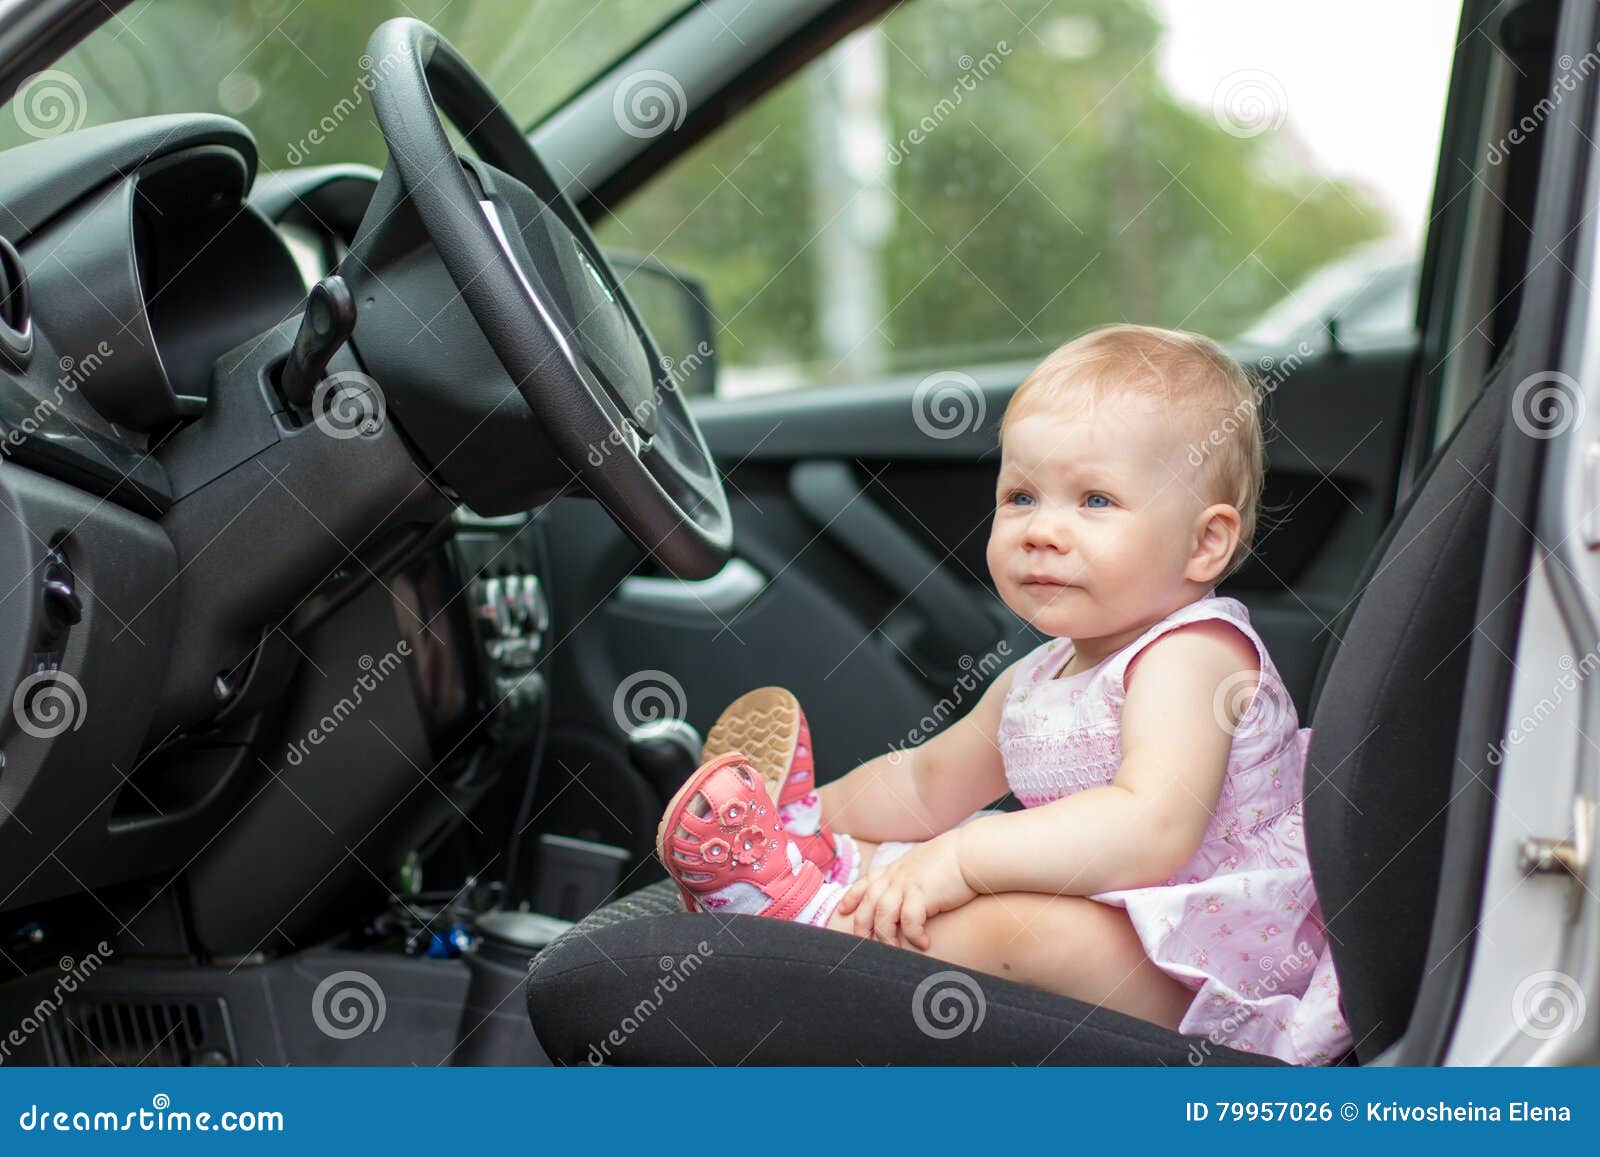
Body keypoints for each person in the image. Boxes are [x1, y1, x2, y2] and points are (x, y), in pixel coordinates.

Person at [656, 324, 1352, 1065]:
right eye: (1021, 495)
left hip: (1213, 964)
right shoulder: (1040, 674)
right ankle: (799, 854)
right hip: (1121, 921)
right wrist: (823, 810)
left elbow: (1152, 828)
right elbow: (926, 781)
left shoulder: (1195, 655)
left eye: (1095, 500)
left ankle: (808, 921)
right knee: (901, 851)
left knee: (1007, 922)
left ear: (1203, 543)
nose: (1042, 530)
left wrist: (963, 857)